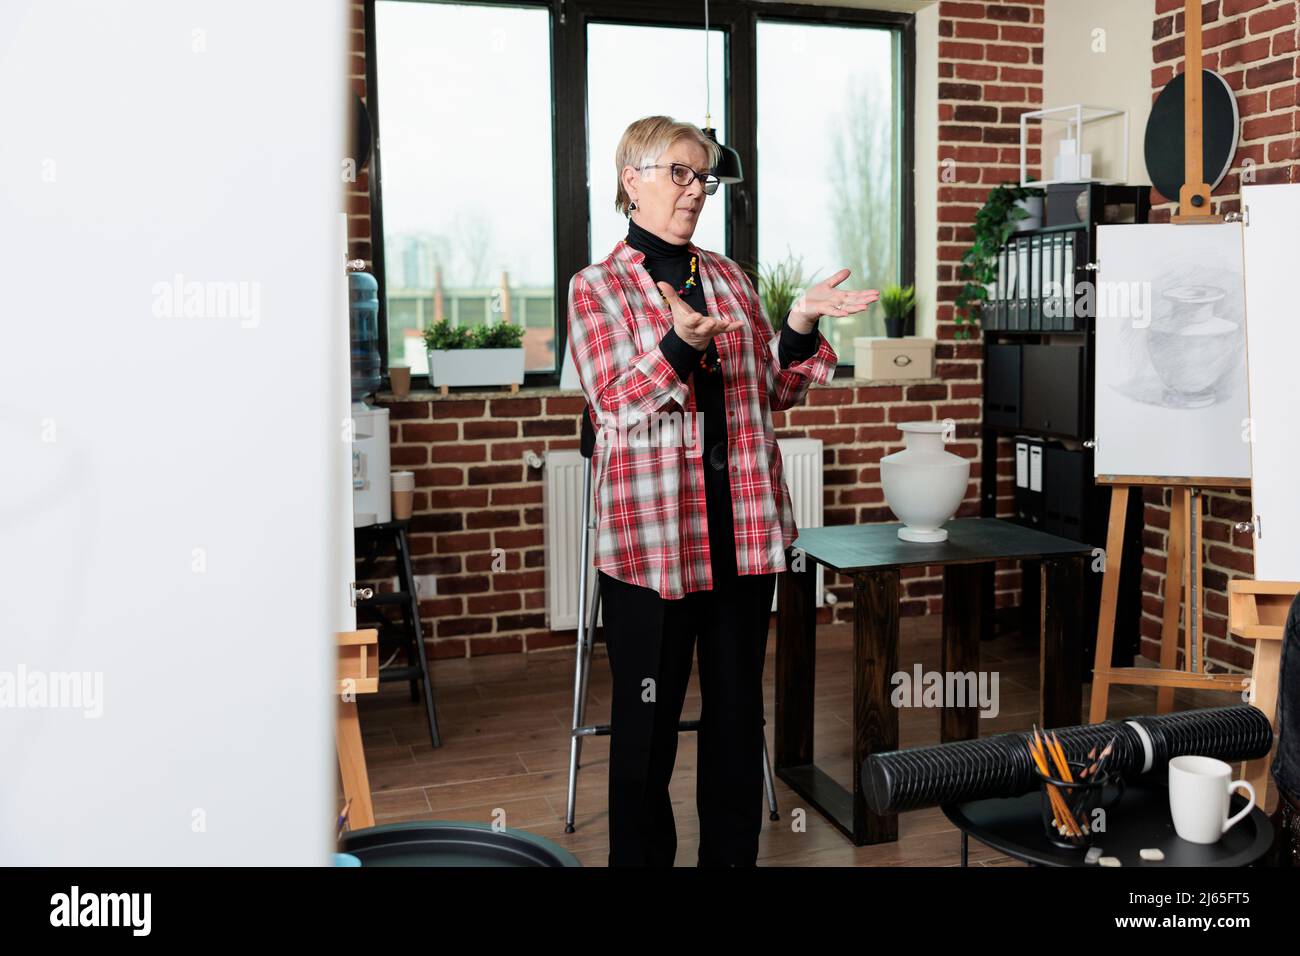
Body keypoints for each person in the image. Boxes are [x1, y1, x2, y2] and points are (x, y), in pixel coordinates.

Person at [565, 115, 878, 866]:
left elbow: (774, 390)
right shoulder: (596, 287)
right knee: (646, 728)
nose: (695, 189)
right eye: (678, 172)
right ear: (631, 179)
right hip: (653, 546)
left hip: (742, 534)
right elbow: (614, 404)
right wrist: (680, 345)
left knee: (737, 719)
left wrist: (798, 321)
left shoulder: (731, 278)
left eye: (702, 176)